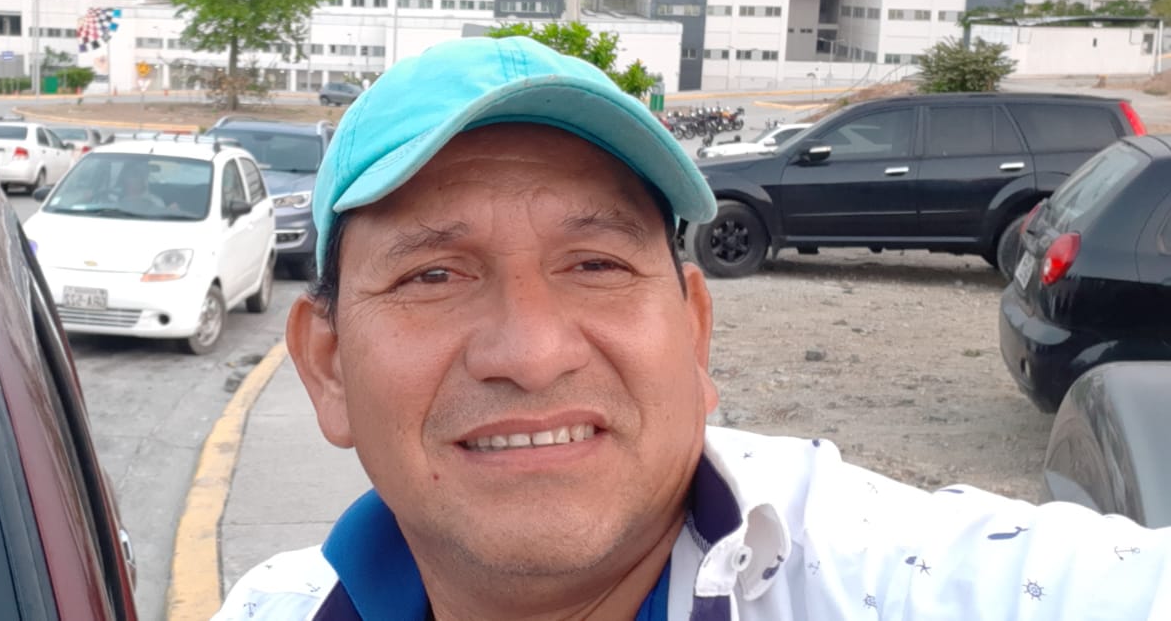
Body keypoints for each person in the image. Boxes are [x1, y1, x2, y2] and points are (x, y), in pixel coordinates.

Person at [216, 36, 1171, 621]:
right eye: (433, 274)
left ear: (694, 330)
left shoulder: (898, 578)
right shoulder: (270, 606)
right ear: (327, 366)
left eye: (595, 264)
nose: (533, 352)